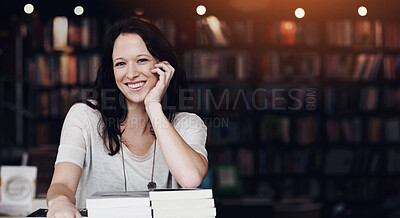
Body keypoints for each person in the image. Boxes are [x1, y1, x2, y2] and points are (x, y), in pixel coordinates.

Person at [46, 17, 208, 218]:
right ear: (112, 71)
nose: (131, 74)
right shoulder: (84, 117)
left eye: (142, 60)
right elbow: (62, 184)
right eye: (121, 63)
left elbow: (190, 178)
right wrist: (60, 202)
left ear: (163, 65)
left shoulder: (188, 124)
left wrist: (153, 107)